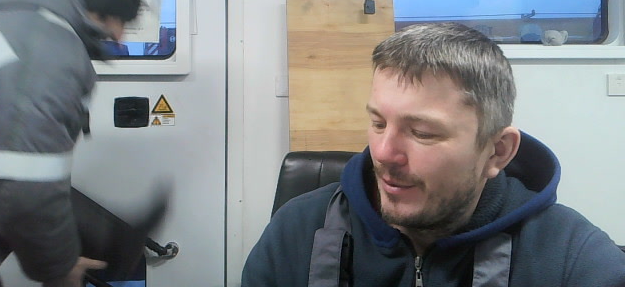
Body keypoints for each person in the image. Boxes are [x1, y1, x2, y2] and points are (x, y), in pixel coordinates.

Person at [242, 22, 625, 286]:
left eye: (422, 133)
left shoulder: (574, 258)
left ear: (497, 152)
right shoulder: (296, 232)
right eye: (378, 123)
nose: (383, 153)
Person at [0, 0, 160, 287]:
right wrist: (59, 268)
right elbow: (25, 188)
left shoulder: (12, 15)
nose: (119, 37)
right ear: (108, 0)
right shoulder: (47, 46)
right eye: (124, 18)